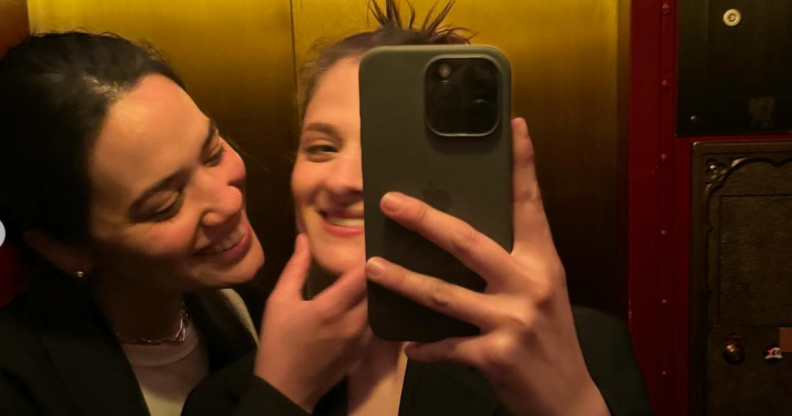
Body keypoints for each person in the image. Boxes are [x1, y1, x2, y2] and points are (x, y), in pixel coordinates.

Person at [183, 1, 655, 415]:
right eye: (322, 148)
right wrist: (281, 399)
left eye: (387, 153)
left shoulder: (576, 354)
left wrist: (571, 405)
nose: (343, 181)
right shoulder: (225, 399)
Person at [0, 32, 266, 416]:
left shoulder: (240, 307)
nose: (229, 202)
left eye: (213, 153)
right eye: (166, 204)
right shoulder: (17, 385)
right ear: (63, 248)